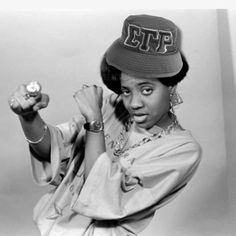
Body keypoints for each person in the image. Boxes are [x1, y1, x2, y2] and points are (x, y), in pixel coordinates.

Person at [8, 14, 201, 236]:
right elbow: (55, 151)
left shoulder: (182, 151)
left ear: (171, 86)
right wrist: (29, 117)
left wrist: (94, 124)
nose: (134, 103)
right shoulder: (113, 107)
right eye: (126, 90)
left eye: (147, 89)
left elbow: (102, 197)